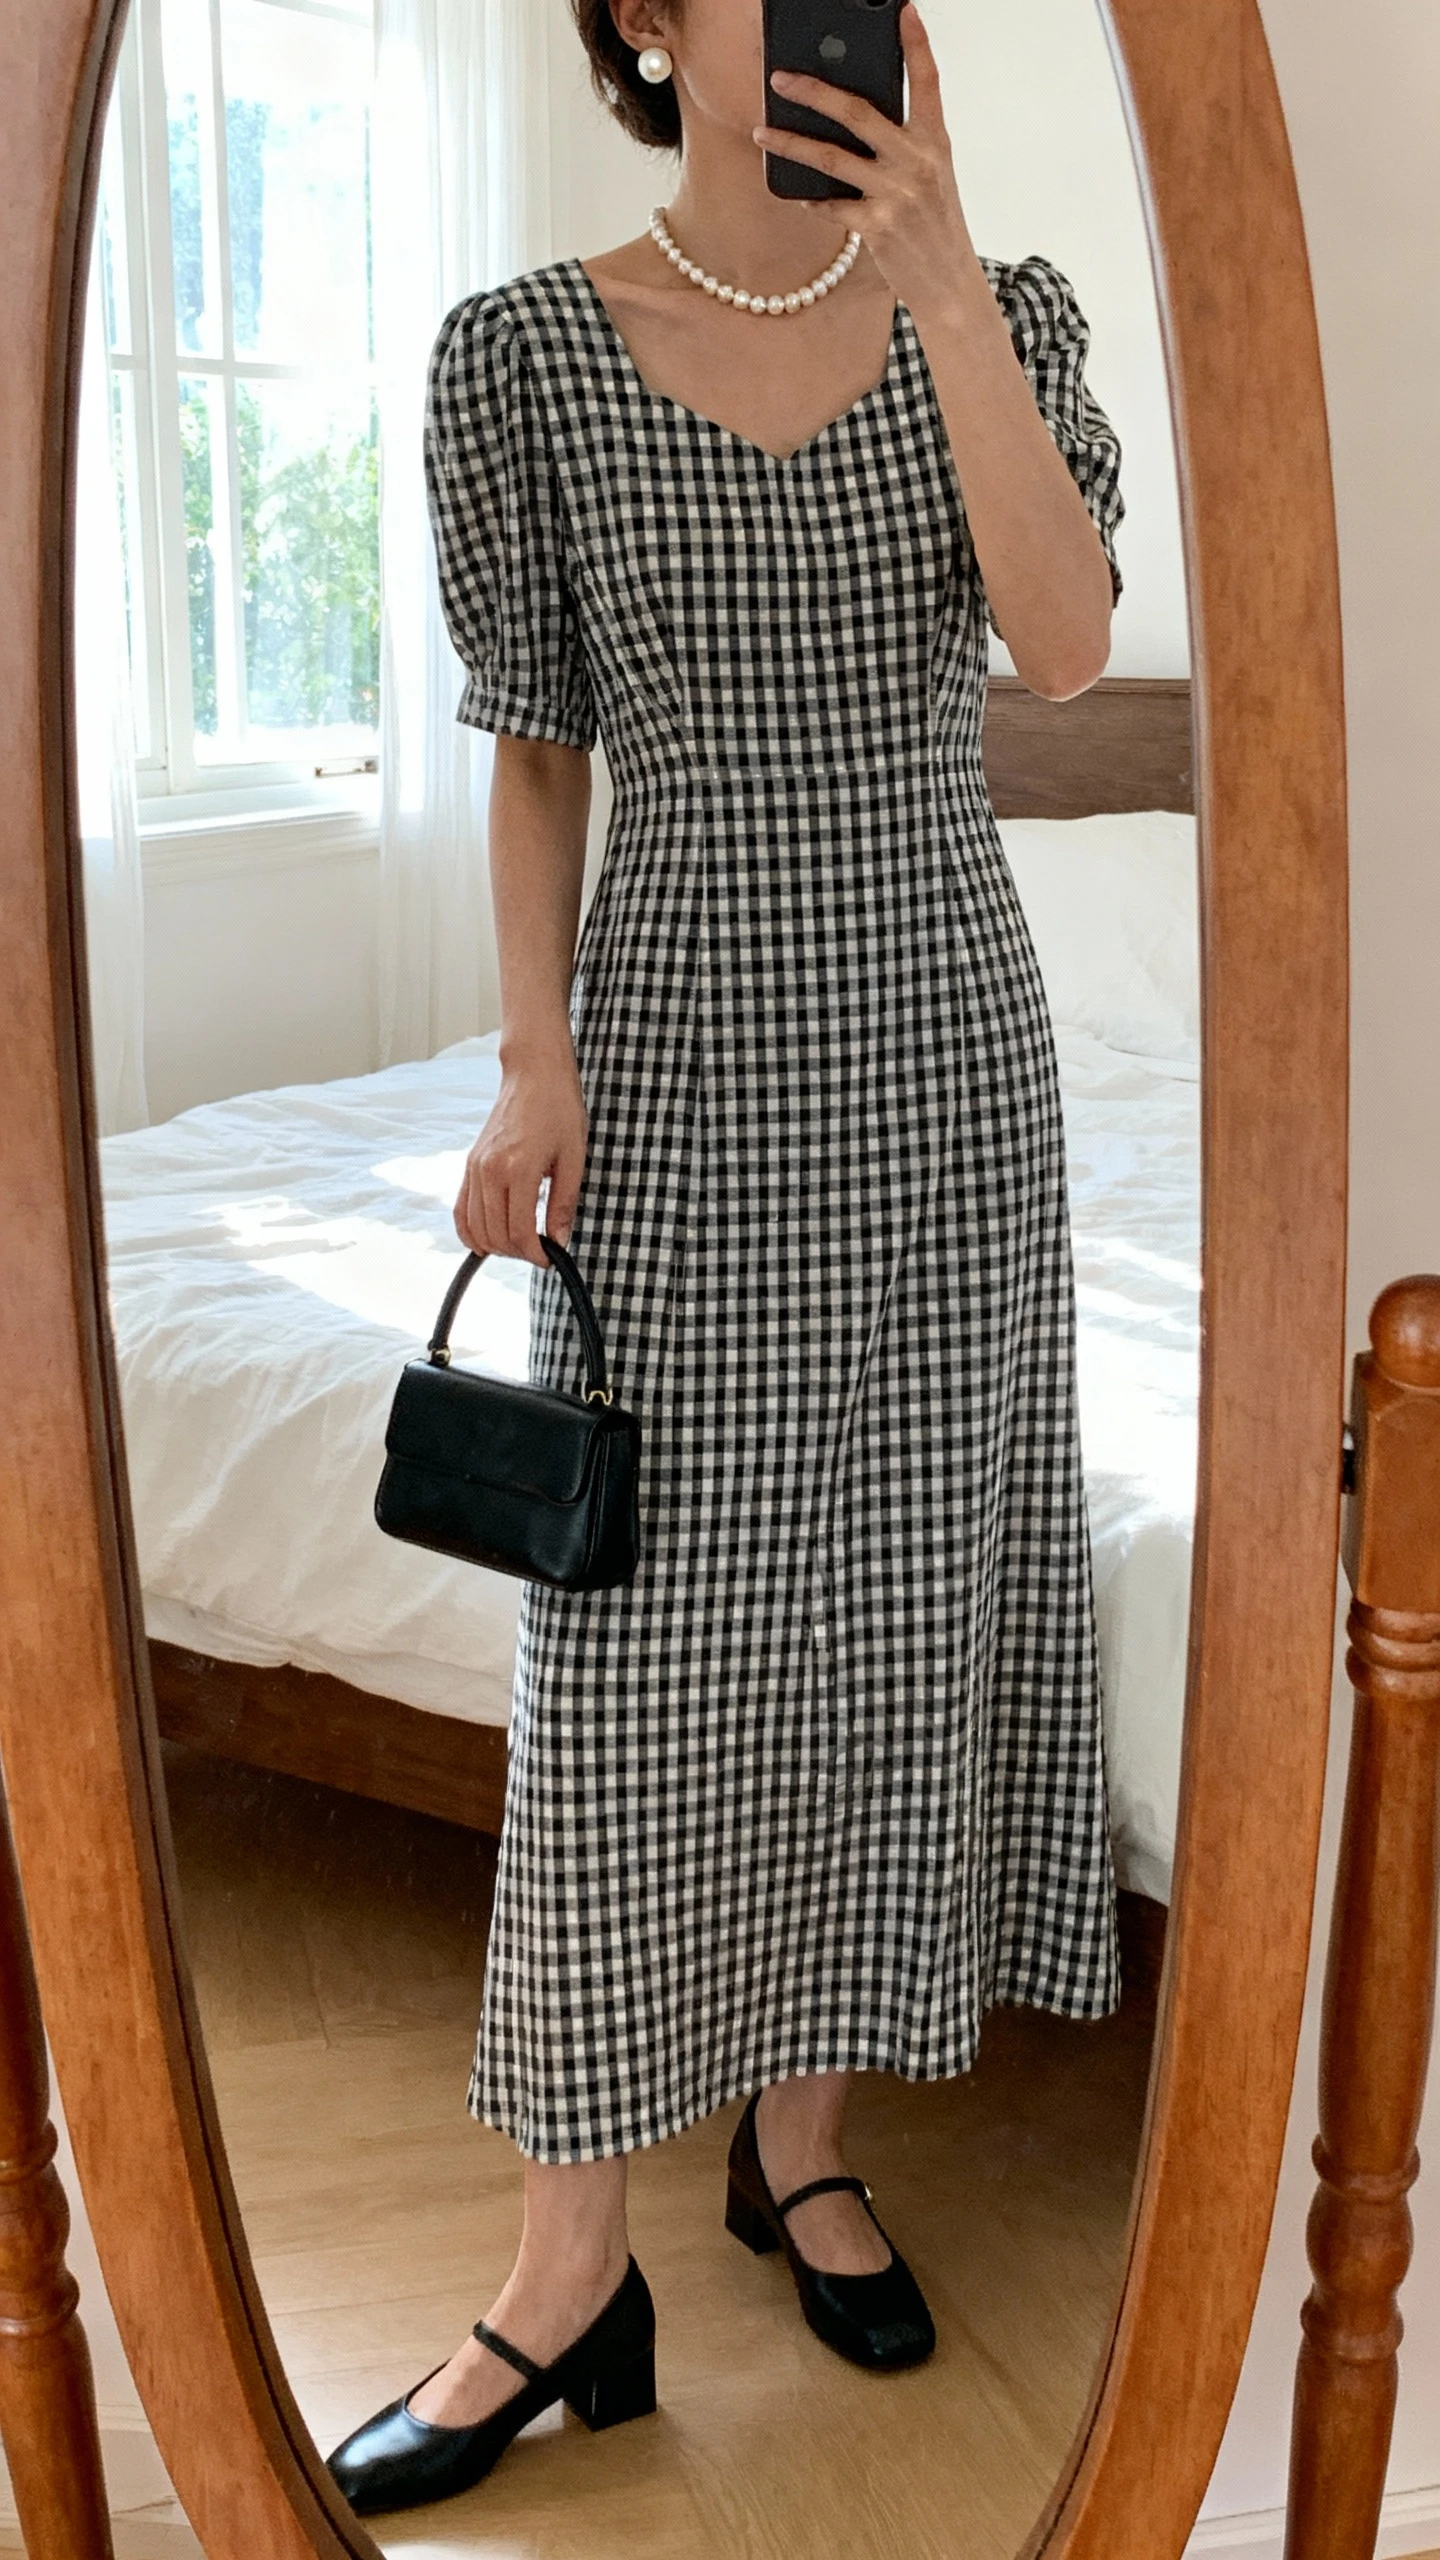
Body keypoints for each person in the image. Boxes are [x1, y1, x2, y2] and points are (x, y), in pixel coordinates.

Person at [329, 0, 1124, 2516]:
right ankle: (567, 2274)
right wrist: (527, 1060)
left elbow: (1072, 643)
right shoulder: (528, 355)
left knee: (892, 1606)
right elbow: (535, 740)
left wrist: (954, 270)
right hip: (672, 1065)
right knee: (634, 1648)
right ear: (646, 24)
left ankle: (801, 2136)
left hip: (942, 1071)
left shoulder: (1003, 311)